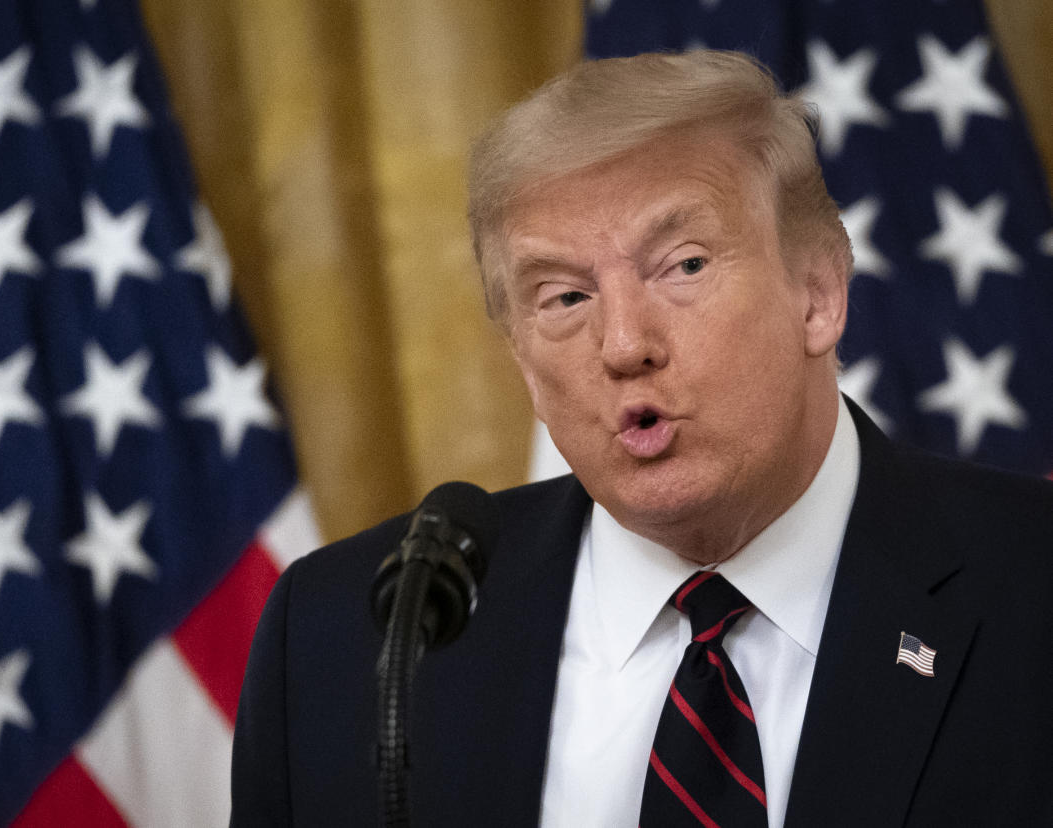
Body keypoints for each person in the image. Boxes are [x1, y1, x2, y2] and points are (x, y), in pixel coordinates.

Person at [229, 50, 1053, 827]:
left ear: (818, 295)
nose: (624, 345)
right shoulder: (345, 641)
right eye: (563, 298)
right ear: (519, 355)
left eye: (684, 266)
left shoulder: (1031, 587)